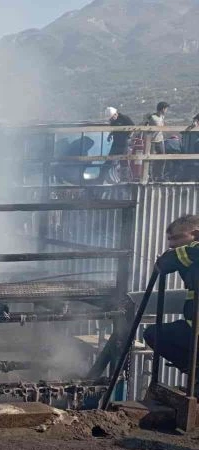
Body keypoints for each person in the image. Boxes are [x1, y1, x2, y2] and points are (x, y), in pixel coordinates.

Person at [143, 215, 199, 376]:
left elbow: (167, 262)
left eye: (176, 238)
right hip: (194, 328)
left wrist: (165, 260)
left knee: (153, 334)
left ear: (196, 234)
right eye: (169, 240)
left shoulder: (195, 249)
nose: (171, 244)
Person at [101, 107, 134, 183]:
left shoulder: (124, 118)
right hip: (116, 142)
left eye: (112, 118)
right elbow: (114, 129)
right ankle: (103, 177)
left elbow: (133, 127)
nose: (111, 120)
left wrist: (129, 136)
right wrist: (110, 134)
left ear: (116, 114)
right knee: (109, 159)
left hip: (124, 142)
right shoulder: (113, 120)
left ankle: (124, 179)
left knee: (123, 160)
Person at [146, 101, 170, 181]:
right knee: (150, 160)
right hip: (152, 141)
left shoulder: (162, 117)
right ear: (163, 109)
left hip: (160, 140)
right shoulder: (153, 117)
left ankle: (159, 176)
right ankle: (149, 177)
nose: (167, 110)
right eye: (166, 109)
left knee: (162, 158)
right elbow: (155, 126)